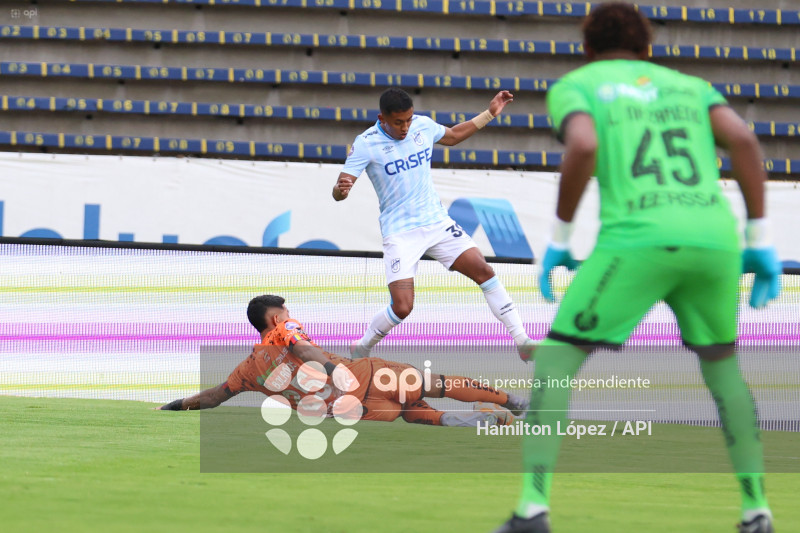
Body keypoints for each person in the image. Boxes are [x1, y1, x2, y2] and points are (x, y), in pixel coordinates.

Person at [493, 4, 781, 533]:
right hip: (714, 240)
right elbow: (743, 140)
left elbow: (583, 144)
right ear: (648, 47)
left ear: (587, 48)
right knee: (724, 372)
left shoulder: (580, 85)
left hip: (639, 240)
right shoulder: (689, 86)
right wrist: (758, 238)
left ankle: (532, 511)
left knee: (556, 362)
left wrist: (559, 236)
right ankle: (756, 510)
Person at [333, 87, 536, 360]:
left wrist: (490, 113)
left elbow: (453, 136)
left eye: (408, 119)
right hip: (401, 234)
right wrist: (340, 190)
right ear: (382, 118)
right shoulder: (366, 143)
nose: (405, 127)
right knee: (403, 308)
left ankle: (522, 340)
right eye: (398, 122)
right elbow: (341, 188)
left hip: (436, 222)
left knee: (484, 271)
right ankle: (363, 346)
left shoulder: (422, 126)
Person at [157, 295, 528, 428]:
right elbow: (303, 350)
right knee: (436, 384)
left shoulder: (247, 370)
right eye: (286, 311)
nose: (290, 314)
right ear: (275, 318)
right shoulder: (284, 329)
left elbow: (215, 396)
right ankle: (515, 403)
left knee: (417, 413)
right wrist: (337, 371)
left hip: (354, 411)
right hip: (364, 378)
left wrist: (177, 405)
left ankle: (490, 421)